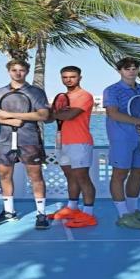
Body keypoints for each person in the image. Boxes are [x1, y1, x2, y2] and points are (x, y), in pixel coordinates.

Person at [0, 59, 50, 229]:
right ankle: (8, 212)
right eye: (14, 70)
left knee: (35, 176)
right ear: (9, 71)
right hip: (4, 141)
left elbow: (43, 115)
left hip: (29, 140)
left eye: (21, 70)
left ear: (27, 71)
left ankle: (41, 214)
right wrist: (7, 120)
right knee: (4, 175)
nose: (18, 73)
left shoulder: (36, 92)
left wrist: (9, 114)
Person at [103, 57, 140, 230]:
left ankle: (133, 210)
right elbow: (113, 113)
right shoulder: (111, 90)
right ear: (119, 71)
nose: (131, 71)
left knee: (139, 172)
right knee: (120, 174)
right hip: (121, 138)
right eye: (127, 69)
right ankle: (123, 215)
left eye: (134, 68)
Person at [47, 66, 97, 228]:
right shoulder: (63, 97)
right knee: (70, 176)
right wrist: (53, 113)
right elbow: (49, 119)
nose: (68, 80)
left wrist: (52, 112)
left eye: (72, 77)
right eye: (65, 77)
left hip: (80, 142)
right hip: (62, 142)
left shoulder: (85, 96)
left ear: (79, 78)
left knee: (82, 177)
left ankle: (88, 214)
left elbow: (69, 115)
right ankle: (72, 208)